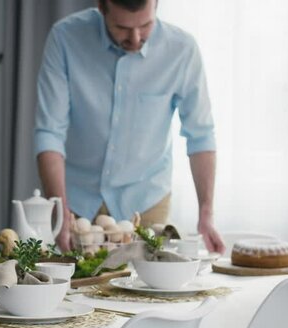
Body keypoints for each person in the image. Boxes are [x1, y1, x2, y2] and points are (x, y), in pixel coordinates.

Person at [34, 0, 225, 254]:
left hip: (146, 202)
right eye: (122, 27)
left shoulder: (182, 50)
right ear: (101, 6)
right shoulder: (65, 38)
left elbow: (200, 136)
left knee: (144, 291)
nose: (135, 39)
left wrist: (206, 213)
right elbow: (49, 133)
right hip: (77, 203)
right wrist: (59, 207)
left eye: (146, 25)